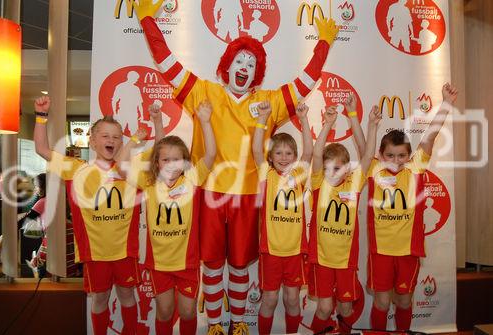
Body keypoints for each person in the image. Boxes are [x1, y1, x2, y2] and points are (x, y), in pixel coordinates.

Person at [132, 1, 339, 333]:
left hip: (247, 197)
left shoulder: (267, 102)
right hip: (209, 194)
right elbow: (167, 63)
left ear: (257, 72)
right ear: (227, 65)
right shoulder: (204, 91)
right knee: (212, 265)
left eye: (251, 63)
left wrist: (324, 44)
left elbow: (305, 82)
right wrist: (146, 21)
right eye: (239, 60)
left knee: (240, 265)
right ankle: (215, 324)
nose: (245, 66)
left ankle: (239, 323)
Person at [33, 96, 142, 335]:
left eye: (116, 137)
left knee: (127, 296)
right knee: (100, 299)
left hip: (125, 252)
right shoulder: (77, 169)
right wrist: (41, 117)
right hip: (95, 254)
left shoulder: (131, 172)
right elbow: (42, 149)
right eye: (105, 136)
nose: (111, 140)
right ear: (92, 142)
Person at [116, 101, 216, 335]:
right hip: (159, 264)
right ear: (157, 163)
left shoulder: (191, 180)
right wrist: (134, 140)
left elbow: (211, 153)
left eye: (177, 160)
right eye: (165, 160)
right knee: (164, 312)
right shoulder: (150, 183)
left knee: (189, 312)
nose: (171, 165)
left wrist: (206, 122)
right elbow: (121, 165)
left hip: (188, 263)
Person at [367, 83, 458, 331]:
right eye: (390, 156)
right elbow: (364, 147)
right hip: (382, 251)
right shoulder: (374, 170)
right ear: (381, 155)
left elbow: (430, 136)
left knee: (404, 300)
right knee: (383, 301)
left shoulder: (415, 169)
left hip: (408, 251)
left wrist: (446, 104)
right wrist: (371, 125)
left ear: (409, 156)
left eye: (401, 156)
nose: (396, 161)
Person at [308, 95, 381, 333]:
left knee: (346, 309)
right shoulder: (320, 183)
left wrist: (367, 123)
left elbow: (368, 156)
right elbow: (317, 154)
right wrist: (328, 124)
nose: (332, 172)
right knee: (323, 308)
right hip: (321, 260)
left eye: (337, 168)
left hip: (345, 262)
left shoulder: (354, 183)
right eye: (328, 168)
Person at [252, 102, 312, 334]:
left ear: (294, 157)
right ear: (271, 157)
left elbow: (308, 152)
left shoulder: (298, 176)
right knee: (269, 300)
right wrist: (263, 118)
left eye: (288, 154)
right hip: (271, 252)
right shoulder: (266, 175)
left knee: (292, 300)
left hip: (295, 252)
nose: (284, 158)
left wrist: (304, 119)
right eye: (278, 153)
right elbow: (257, 150)